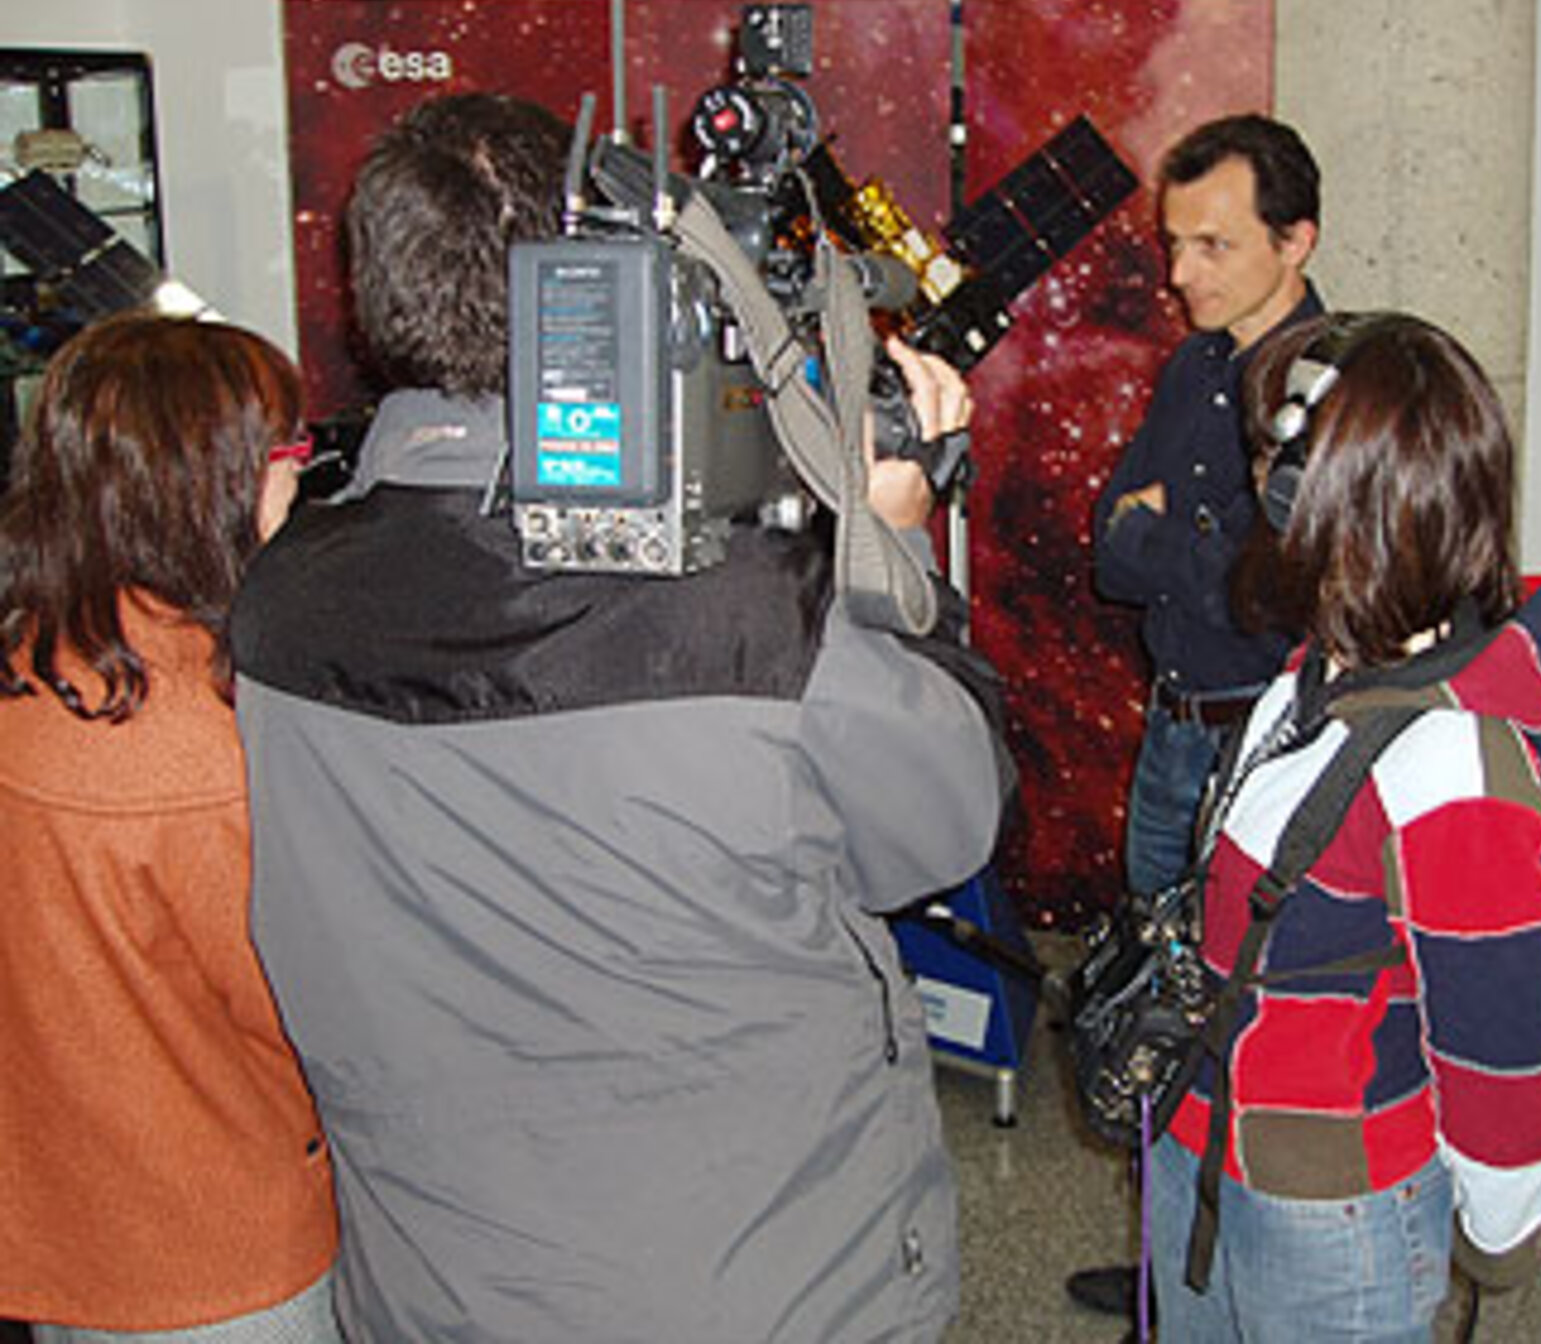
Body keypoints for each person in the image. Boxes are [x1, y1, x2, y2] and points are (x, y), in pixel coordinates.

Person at [227, 92, 1012, 1344]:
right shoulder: (757, 615)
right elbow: (949, 822)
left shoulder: (278, 596)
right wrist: (895, 554)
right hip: (757, 1293)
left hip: (433, 1283)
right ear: (616, 281)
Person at [1148, 311, 1541, 1342]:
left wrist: (1496, 1232)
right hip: (1209, 1142)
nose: (1259, 483)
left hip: (1329, 1212)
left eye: (1273, 460)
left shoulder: (1450, 768)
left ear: (1323, 495)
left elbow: (1503, 1054)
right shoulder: (1328, 666)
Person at [0, 314, 341, 1342]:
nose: (302, 481)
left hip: (61, 1233)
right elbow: (300, 1015)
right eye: (290, 453)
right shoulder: (207, 751)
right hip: (220, 1259)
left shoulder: (33, 662)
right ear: (212, 481)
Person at [1077, 112, 1327, 1330]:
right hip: (1174, 734)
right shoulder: (1195, 366)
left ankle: (1221, 1276)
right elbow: (1114, 554)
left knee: (1238, 1024)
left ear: (1297, 241)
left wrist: (1170, 525)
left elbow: (1275, 589)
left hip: (1264, 749)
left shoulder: (1337, 392)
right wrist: (1178, 527)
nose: (1180, 276)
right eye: (1176, 245)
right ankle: (1161, 1263)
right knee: (1149, 1010)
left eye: (1213, 247)